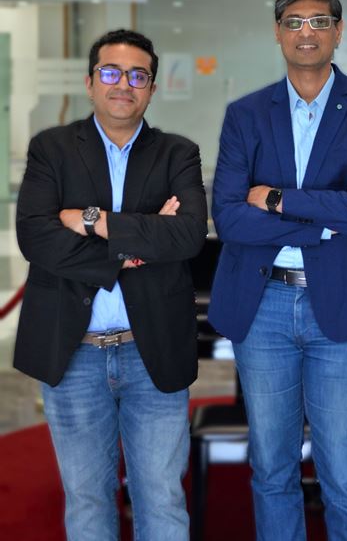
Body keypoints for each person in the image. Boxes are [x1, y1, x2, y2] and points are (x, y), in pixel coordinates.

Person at [208, 0, 347, 541]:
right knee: (272, 468)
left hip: (342, 300)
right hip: (263, 303)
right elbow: (230, 218)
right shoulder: (245, 114)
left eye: (319, 21)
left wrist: (276, 198)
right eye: (294, 22)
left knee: (345, 472)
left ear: (339, 31)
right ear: (277, 33)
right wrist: (331, 217)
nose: (306, 32)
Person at [14, 29, 208, 541]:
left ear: (152, 88)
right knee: (87, 498)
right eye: (111, 72)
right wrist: (134, 246)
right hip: (73, 351)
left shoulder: (178, 153)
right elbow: (36, 237)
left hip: (152, 349)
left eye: (138, 75)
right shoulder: (51, 149)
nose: (124, 84)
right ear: (90, 82)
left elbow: (188, 235)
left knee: (162, 497)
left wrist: (90, 219)